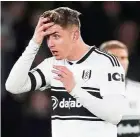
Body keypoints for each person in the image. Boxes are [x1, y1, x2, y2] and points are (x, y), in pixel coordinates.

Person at [6, 7, 128, 137]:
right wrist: (34, 43)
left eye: (56, 36)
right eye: (48, 37)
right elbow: (13, 86)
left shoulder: (106, 63)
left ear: (74, 35)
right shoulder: (52, 65)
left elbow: (115, 115)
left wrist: (75, 90)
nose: (50, 44)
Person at [100, 40, 140, 116]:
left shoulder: (138, 91)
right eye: (114, 58)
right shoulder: (87, 91)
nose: (119, 62)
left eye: (123, 58)